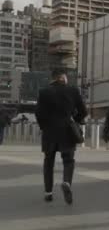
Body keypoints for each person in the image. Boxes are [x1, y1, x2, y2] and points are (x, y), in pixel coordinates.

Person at [35, 69, 87, 204]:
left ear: (53, 78)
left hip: (49, 132)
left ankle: (48, 192)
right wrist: (76, 119)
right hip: (67, 131)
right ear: (64, 78)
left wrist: (44, 127)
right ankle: (66, 182)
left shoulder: (44, 92)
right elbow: (83, 111)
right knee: (68, 160)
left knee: (48, 161)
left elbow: (39, 114)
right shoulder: (73, 90)